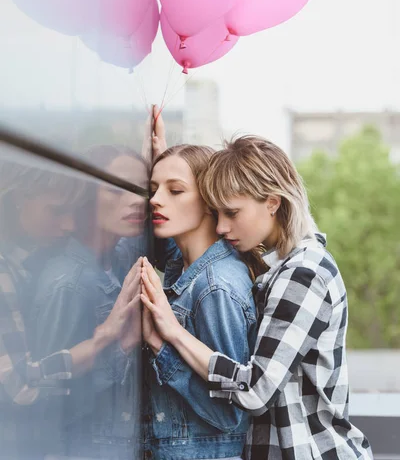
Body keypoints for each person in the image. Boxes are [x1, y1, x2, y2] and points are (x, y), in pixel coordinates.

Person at [141, 135, 373, 460]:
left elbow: (255, 391)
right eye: (216, 212)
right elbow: (184, 256)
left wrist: (172, 334)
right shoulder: (275, 266)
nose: (221, 226)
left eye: (232, 213)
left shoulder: (304, 273)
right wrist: (168, 163)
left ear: (272, 203)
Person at [0, 159, 138, 460]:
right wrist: (107, 338)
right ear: (20, 199)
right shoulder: (50, 278)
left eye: (73, 212)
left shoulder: (32, 261)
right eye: (57, 211)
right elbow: (20, 384)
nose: (69, 225)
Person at [141, 137, 260, 460]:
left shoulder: (215, 287)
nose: (155, 199)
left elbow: (229, 413)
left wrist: (162, 347)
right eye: (153, 188)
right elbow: (170, 255)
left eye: (175, 190)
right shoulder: (187, 265)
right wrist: (165, 157)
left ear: (210, 201)